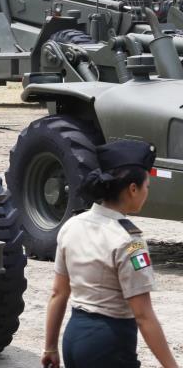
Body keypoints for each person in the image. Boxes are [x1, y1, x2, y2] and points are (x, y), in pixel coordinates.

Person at [42, 139, 178, 368]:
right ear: (132, 189)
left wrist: (50, 347)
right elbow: (143, 316)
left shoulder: (72, 226)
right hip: (108, 343)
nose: (147, 193)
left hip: (73, 337)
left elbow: (58, 293)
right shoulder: (129, 241)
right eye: (147, 187)